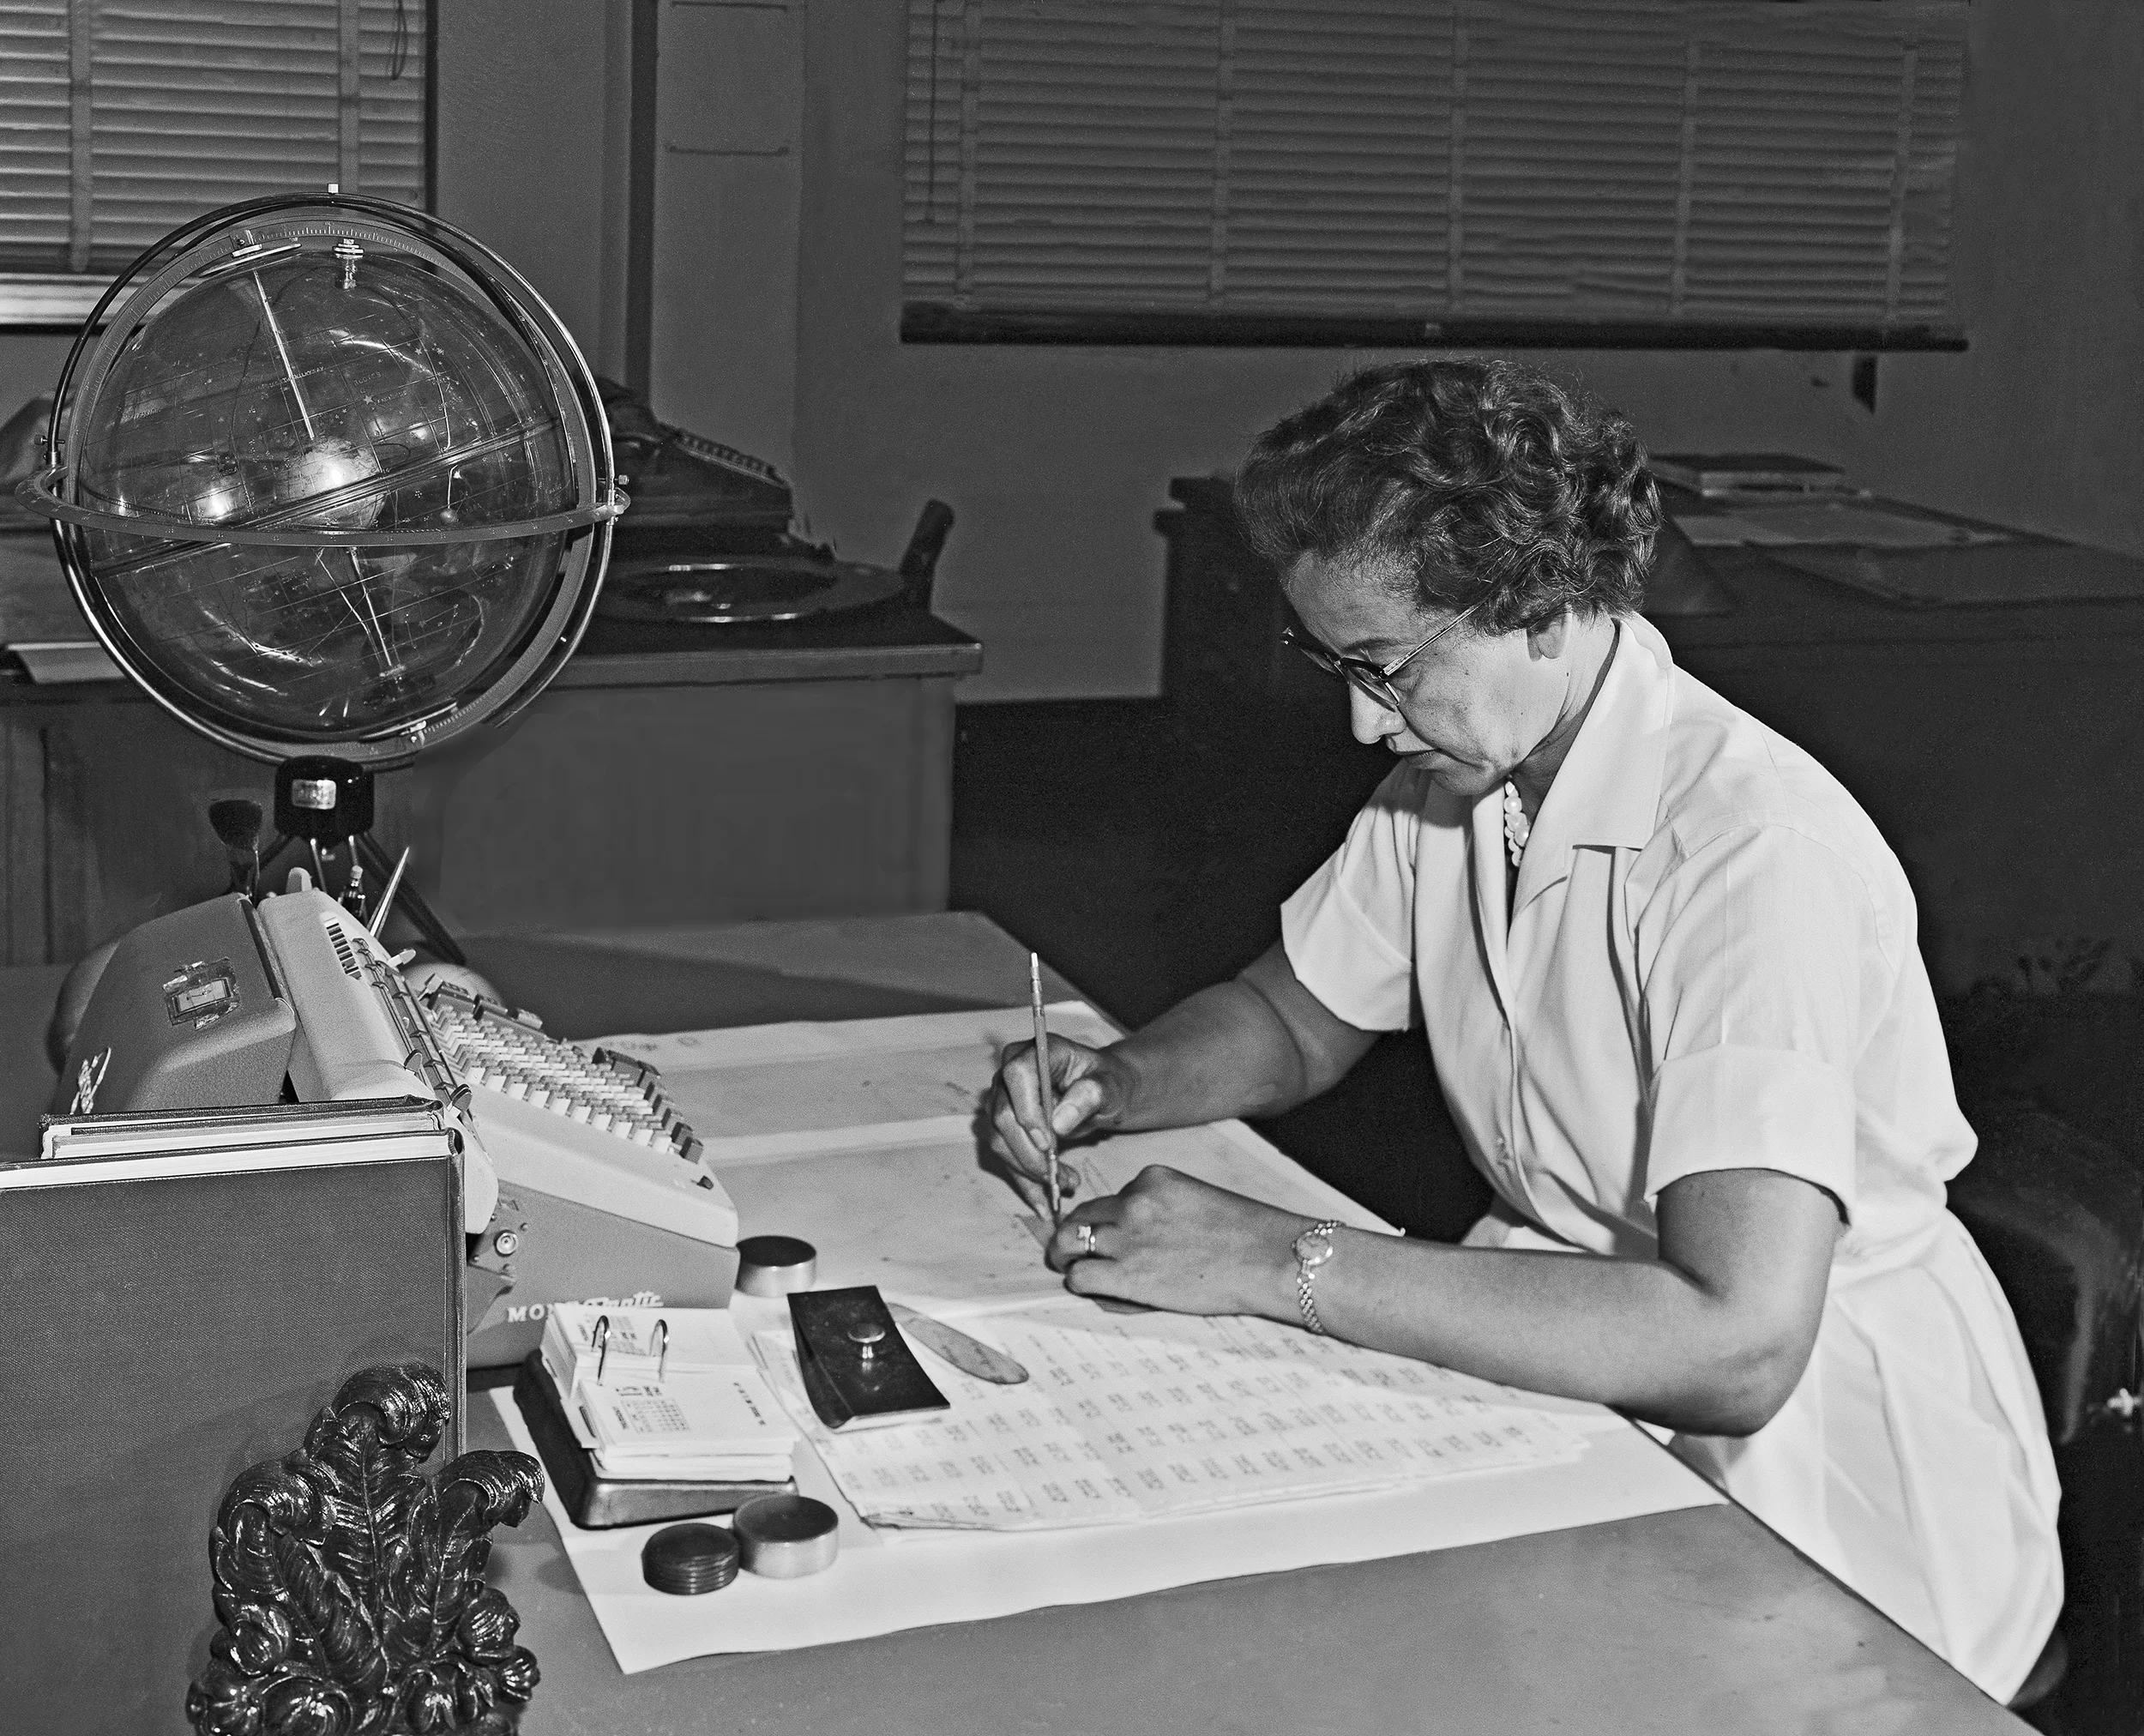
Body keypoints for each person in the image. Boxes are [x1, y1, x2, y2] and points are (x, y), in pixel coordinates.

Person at [988, 359, 2060, 1701]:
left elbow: (1734, 1341)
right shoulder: (1461, 782)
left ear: (1546, 612)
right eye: (1333, 663)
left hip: (1823, 1479)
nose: (1362, 721)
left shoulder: (1749, 855)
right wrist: (1121, 1079)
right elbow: (1291, 1014)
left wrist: (1280, 1261)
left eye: (1386, 670)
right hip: (1562, 1345)